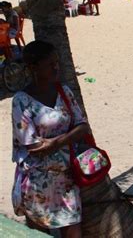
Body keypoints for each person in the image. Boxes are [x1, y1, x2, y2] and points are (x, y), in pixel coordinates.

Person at [11, 41, 90, 237]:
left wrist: (56, 142)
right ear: (33, 67)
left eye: (57, 62)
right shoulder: (21, 101)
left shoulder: (64, 92)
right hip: (37, 183)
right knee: (40, 234)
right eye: (50, 64)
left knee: (73, 230)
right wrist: (67, 137)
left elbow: (83, 126)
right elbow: (34, 146)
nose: (56, 67)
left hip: (67, 179)